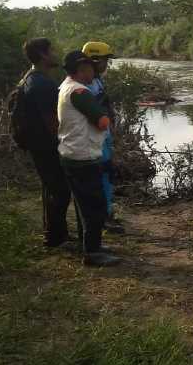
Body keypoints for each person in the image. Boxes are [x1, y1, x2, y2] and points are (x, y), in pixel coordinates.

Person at [58, 51, 121, 267]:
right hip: (83, 156)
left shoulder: (66, 86)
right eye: (91, 67)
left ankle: (92, 247)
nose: (94, 70)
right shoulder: (79, 91)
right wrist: (106, 118)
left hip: (74, 154)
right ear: (82, 69)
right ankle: (93, 253)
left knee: (86, 207)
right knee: (94, 207)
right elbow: (102, 121)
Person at [21, 38, 73, 248]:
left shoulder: (31, 78)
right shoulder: (41, 83)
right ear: (43, 55)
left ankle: (54, 235)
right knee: (60, 190)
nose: (55, 53)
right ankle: (56, 238)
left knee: (51, 189)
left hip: (39, 144)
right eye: (52, 50)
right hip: (47, 145)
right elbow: (51, 121)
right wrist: (64, 144)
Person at [81, 41, 124, 234]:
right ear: (94, 60)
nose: (107, 64)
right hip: (93, 140)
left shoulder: (96, 80)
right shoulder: (82, 85)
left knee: (106, 175)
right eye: (105, 60)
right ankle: (101, 218)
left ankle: (106, 214)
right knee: (100, 176)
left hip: (102, 137)